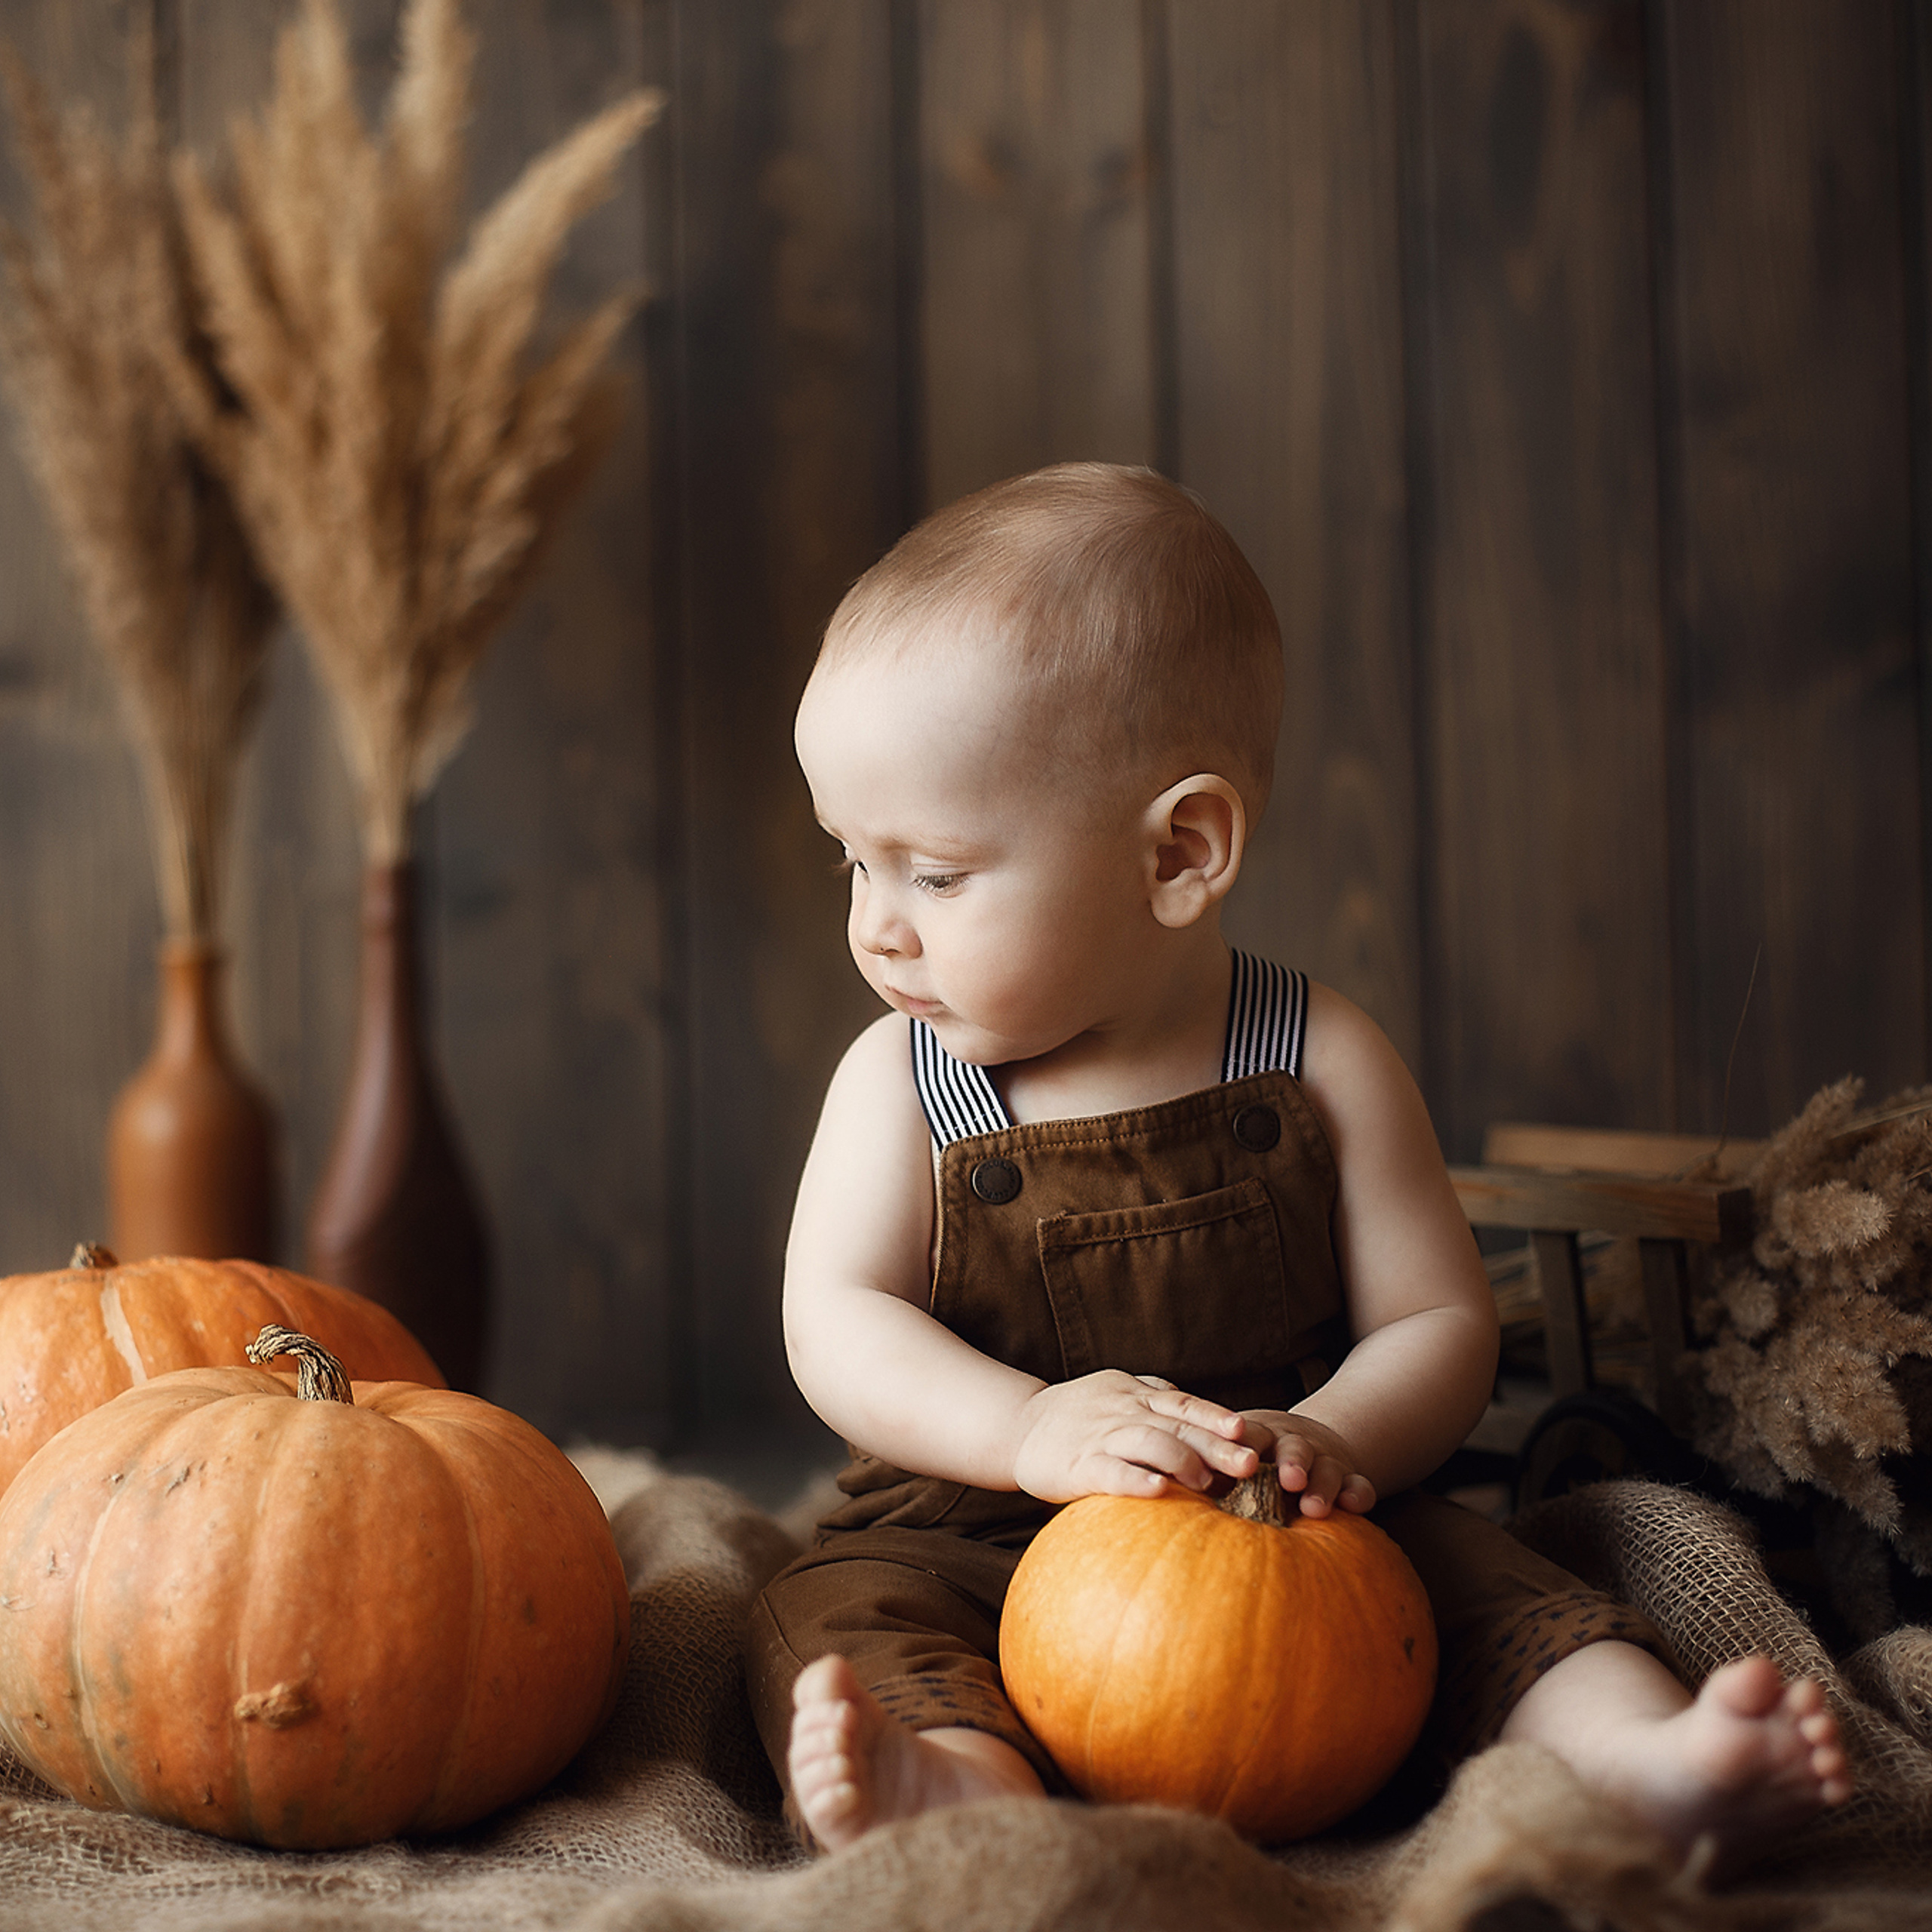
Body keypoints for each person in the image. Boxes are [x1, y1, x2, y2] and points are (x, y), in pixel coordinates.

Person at [745, 462, 1849, 1869]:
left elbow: (1441, 1324)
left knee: (1490, 1585)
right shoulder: (899, 1082)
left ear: (1181, 852)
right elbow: (836, 1321)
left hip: (1292, 1535)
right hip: (974, 1524)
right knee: (836, 1617)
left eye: (935, 875)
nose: (876, 930)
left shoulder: (1317, 1054)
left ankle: (1635, 1762)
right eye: (851, 861)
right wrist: (1028, 1431)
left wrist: (1340, 1439)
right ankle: (953, 1791)